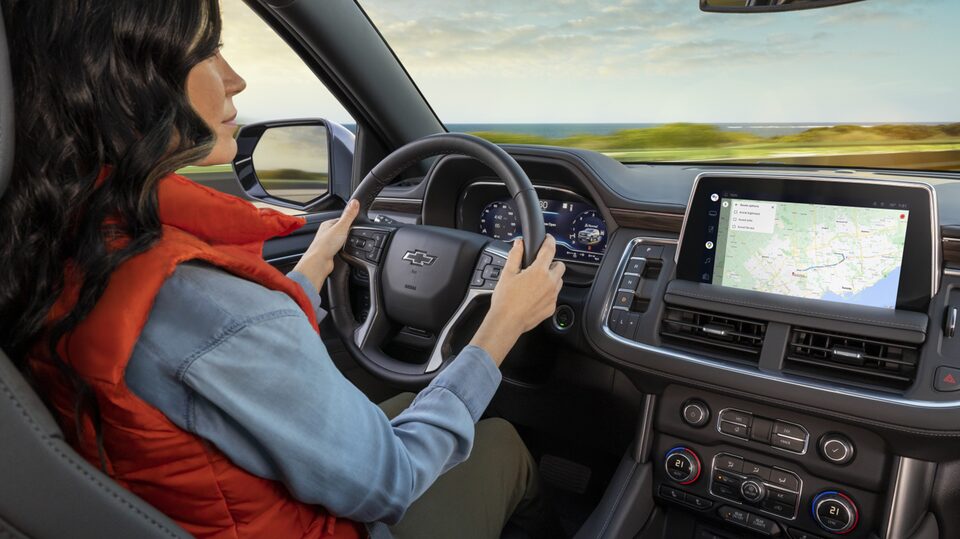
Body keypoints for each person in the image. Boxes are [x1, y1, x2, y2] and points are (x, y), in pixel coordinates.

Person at [0, 1, 565, 538]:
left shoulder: (67, 242)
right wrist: (499, 330)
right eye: (207, 50)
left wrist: (315, 266)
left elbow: (219, 349)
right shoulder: (203, 303)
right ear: (127, 80)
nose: (234, 78)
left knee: (405, 410)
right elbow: (391, 482)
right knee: (502, 442)